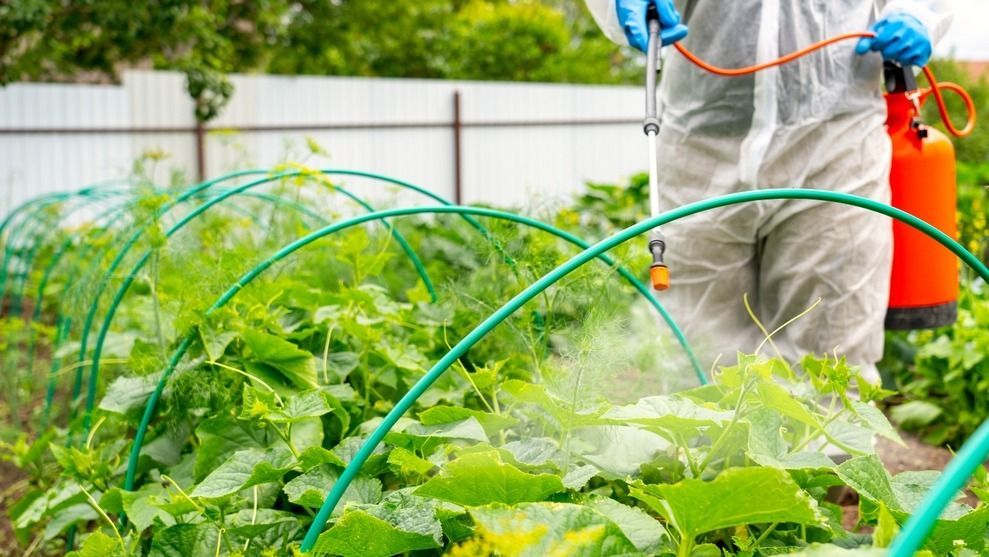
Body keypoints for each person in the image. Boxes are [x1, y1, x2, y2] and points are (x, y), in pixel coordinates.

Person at [584, 0, 953, 378]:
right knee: (696, 357)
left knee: (832, 361)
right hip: (700, 146)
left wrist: (919, 13)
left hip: (836, 146)